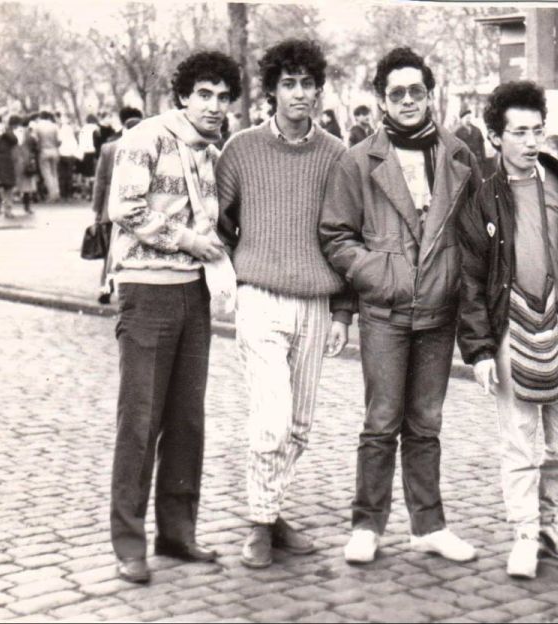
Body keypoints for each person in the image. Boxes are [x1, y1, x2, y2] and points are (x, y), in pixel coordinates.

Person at [321, 47, 482, 565]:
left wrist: (458, 284)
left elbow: (476, 234)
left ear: (429, 95)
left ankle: (429, 525)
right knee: (381, 421)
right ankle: (366, 525)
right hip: (385, 312)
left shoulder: (459, 155)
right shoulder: (358, 160)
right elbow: (337, 235)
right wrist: (379, 274)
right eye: (397, 93)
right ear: (382, 100)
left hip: (439, 312)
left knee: (426, 423)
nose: (408, 101)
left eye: (416, 91)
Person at [456, 81, 558, 579]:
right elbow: (469, 278)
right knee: (519, 440)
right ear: (495, 137)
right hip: (512, 328)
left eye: (537, 131)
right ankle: (526, 534)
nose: (531, 142)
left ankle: (550, 523)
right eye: (519, 132)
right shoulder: (482, 198)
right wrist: (479, 350)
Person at [215, 38, 351, 570]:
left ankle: (271, 514)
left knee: (299, 426)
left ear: (319, 91)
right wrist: (229, 278)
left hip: (315, 303)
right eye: (287, 83)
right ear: (271, 90)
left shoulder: (336, 154)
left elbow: (346, 235)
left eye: (307, 84)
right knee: (271, 419)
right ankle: (259, 522)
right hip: (260, 299)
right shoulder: (241, 149)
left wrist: (343, 312)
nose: (298, 93)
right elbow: (217, 224)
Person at [107, 50, 242, 585]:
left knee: (187, 420)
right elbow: (125, 208)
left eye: (223, 97)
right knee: (140, 420)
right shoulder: (146, 138)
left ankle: (177, 532)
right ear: (183, 95)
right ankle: (129, 544)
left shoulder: (210, 150)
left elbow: (215, 220)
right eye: (203, 94)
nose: (213, 105)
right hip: (147, 290)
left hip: (194, 294)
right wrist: (188, 241)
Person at [92, 107, 143, 305]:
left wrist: (97, 211)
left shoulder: (108, 148)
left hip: (109, 208)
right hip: (136, 209)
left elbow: (99, 182)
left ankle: (106, 287)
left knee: (110, 252)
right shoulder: (147, 149)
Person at [12, 115, 40, 215]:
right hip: (26, 159)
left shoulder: (14, 132)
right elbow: (35, 144)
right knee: (27, 186)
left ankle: (9, 206)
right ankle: (27, 206)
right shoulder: (28, 133)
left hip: (16, 160)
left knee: (15, 184)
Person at [34, 111, 61, 201]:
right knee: (54, 173)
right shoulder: (54, 126)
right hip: (54, 150)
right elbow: (59, 141)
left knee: (47, 174)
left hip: (43, 151)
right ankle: (57, 193)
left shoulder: (37, 126)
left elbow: (35, 139)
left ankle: (52, 194)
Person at [78, 114, 101, 200]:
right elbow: (98, 141)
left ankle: (85, 193)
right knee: (93, 173)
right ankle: (92, 193)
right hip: (93, 152)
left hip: (83, 153)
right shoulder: (96, 128)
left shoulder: (83, 128)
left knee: (85, 174)